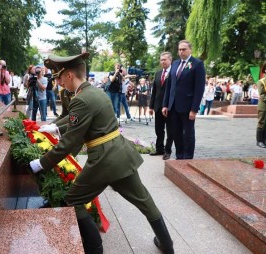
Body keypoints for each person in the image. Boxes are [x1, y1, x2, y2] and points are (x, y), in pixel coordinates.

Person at [30, 53, 174, 254]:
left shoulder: (81, 99)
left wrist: (41, 163)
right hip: (121, 155)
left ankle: (94, 249)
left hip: (104, 160)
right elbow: (76, 119)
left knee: (73, 201)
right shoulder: (95, 93)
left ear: (69, 75)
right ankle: (167, 246)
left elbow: (71, 140)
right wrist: (54, 127)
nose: (60, 83)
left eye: (60, 78)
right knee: (145, 201)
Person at [162, 40, 206, 160]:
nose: (181, 52)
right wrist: (165, 104)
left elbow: (199, 89)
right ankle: (179, 156)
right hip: (173, 106)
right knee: (176, 132)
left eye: (184, 49)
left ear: (190, 50)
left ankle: (188, 157)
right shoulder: (175, 64)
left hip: (187, 107)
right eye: (179, 49)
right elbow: (169, 86)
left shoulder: (197, 64)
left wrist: (194, 109)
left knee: (188, 134)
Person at [149, 52, 173, 160]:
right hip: (158, 106)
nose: (162, 61)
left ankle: (167, 151)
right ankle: (159, 149)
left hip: (169, 107)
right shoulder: (158, 73)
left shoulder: (174, 72)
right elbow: (154, 91)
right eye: (161, 60)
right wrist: (151, 106)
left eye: (165, 59)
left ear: (170, 60)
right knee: (158, 129)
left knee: (170, 130)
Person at [256, 72, 266, 148]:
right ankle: (259, 141)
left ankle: (264, 139)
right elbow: (262, 95)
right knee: (262, 122)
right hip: (263, 105)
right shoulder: (261, 81)